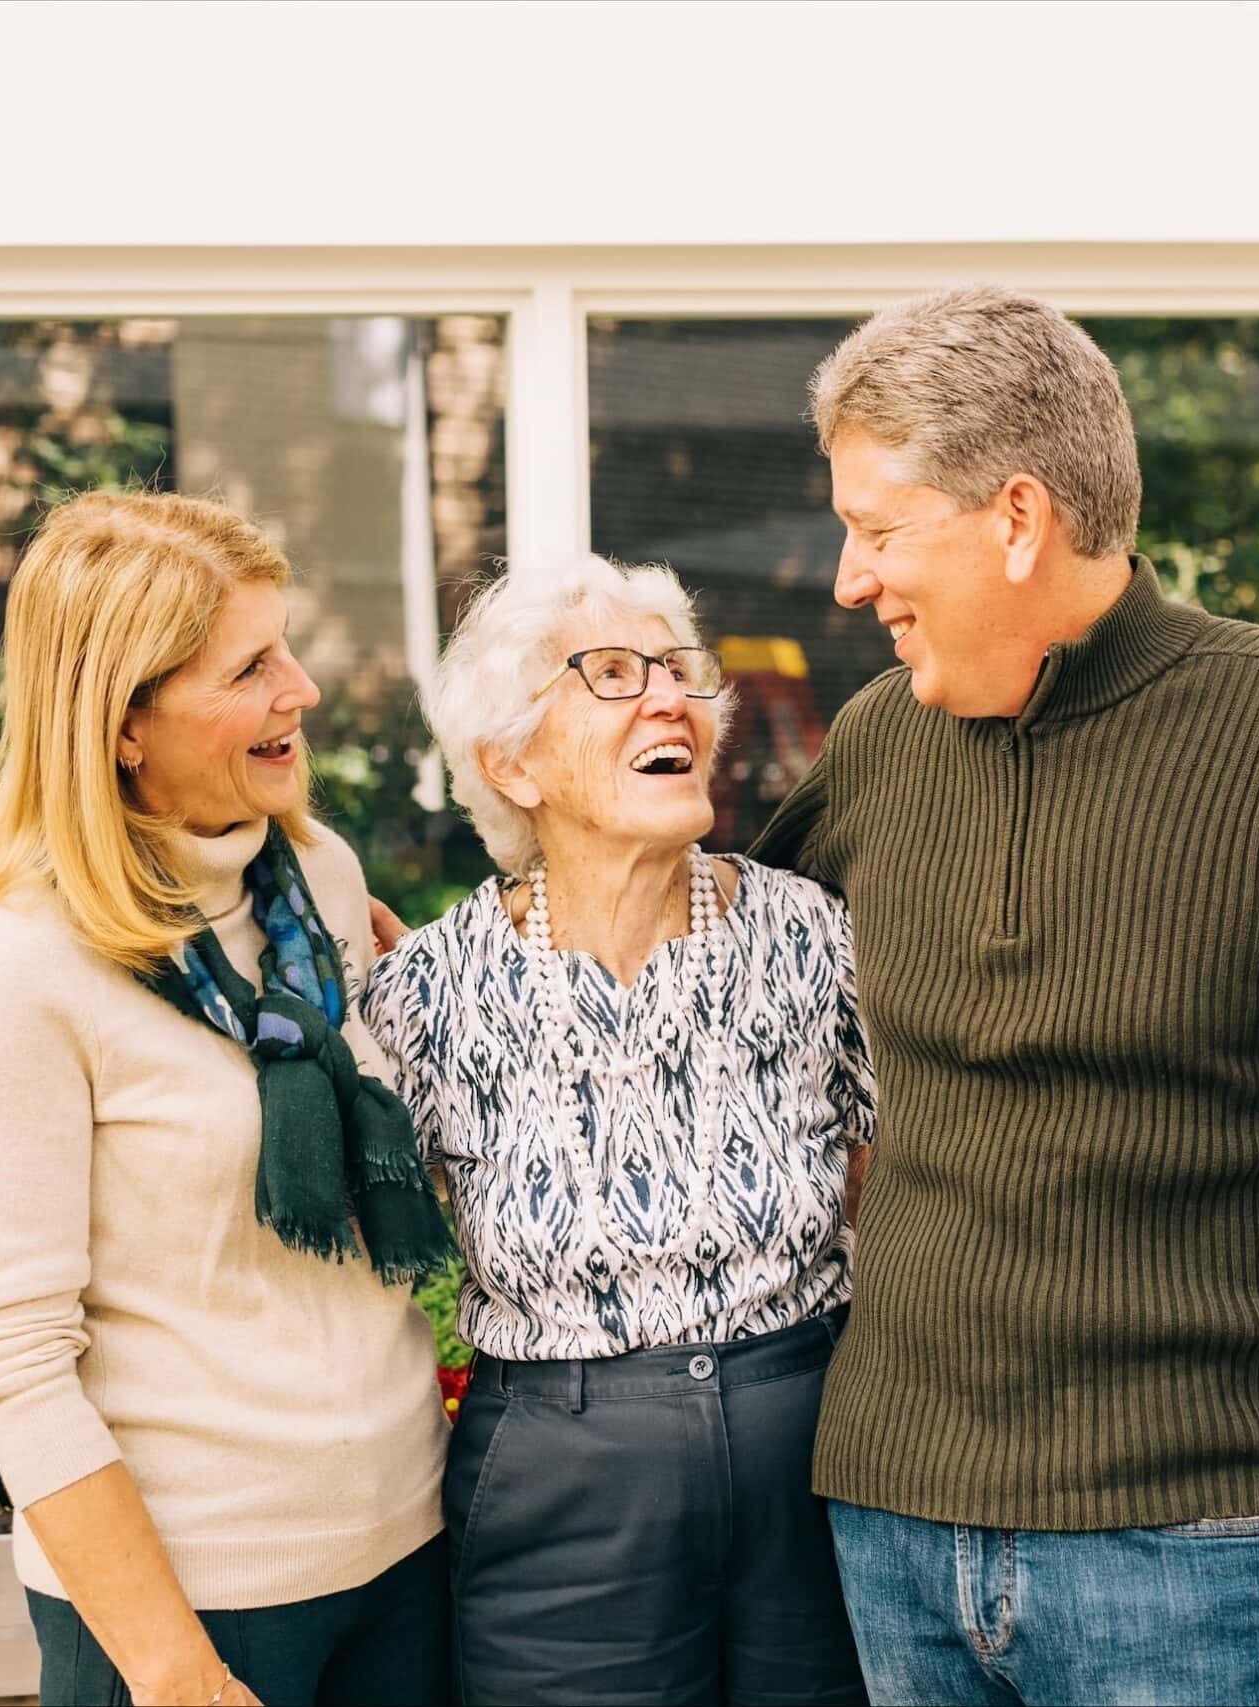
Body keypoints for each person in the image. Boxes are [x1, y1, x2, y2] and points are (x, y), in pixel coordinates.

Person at [748, 287, 1259, 1707]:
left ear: (1017, 519)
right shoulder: (880, 744)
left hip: (1209, 1563)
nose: (846, 579)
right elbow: (713, 959)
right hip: (898, 1533)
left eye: (879, 532)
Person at [0, 491, 455, 1707]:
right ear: (123, 726)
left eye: (288, 646)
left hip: (404, 1552)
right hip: (193, 1608)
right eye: (250, 667)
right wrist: (174, 1674)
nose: (300, 690)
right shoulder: (17, 959)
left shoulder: (313, 875)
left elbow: (389, 1167)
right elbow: (11, 1356)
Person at [360, 555, 872, 1707]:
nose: (669, 701)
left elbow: (880, 1181)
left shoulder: (810, 938)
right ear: (511, 762)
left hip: (814, 1469)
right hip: (564, 1498)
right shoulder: (427, 992)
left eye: (679, 672)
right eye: (610, 673)